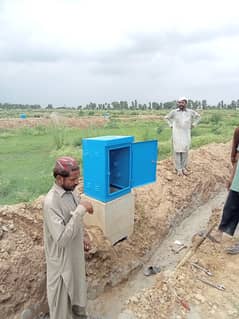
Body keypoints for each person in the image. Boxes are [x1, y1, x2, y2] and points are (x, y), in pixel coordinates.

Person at [43, 156, 100, 319]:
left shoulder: (72, 192)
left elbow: (74, 219)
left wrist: (83, 237)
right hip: (61, 263)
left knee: (77, 295)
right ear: (60, 179)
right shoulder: (51, 203)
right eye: (73, 179)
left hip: (75, 256)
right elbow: (61, 239)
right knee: (61, 306)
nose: (76, 183)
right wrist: (81, 209)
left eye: (78, 178)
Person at [165, 97, 201, 176]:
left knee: (185, 151)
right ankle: (178, 169)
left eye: (182, 103)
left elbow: (198, 117)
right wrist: (171, 125)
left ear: (185, 103)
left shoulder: (190, 112)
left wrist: (194, 124)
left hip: (186, 134)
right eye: (179, 103)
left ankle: (184, 168)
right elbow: (166, 118)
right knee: (177, 151)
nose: (180, 104)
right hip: (176, 134)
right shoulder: (174, 112)